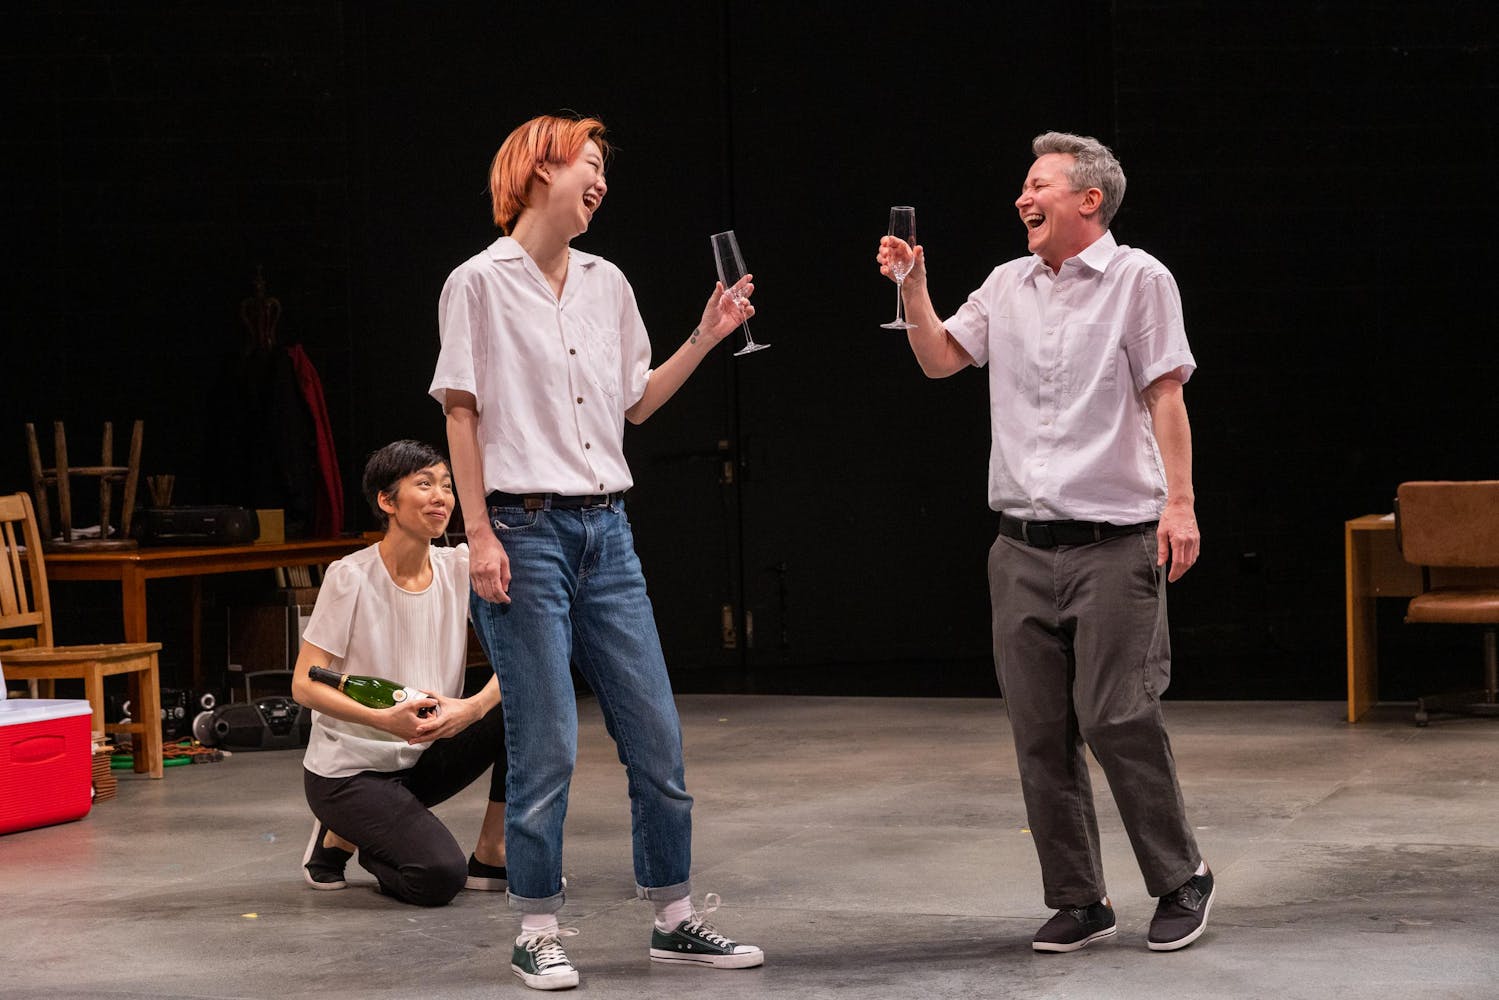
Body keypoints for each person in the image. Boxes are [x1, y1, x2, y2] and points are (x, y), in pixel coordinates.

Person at [429, 113, 764, 991]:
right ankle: (536, 925)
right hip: (524, 533)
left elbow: (637, 405)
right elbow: (459, 411)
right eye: (589, 164)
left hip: (606, 533)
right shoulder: (477, 282)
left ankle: (675, 917)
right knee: (545, 746)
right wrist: (480, 535)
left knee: (657, 736)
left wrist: (706, 334)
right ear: (540, 170)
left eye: (604, 168)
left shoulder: (607, 282)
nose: (600, 181)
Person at [876, 131, 1214, 953]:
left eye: (1038, 185)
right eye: (1023, 186)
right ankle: (1078, 897)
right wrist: (914, 289)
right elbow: (938, 359)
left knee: (1116, 715)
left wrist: (1180, 505)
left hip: (1113, 540)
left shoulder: (1140, 279)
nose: (1022, 199)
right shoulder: (1005, 283)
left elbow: (1165, 393)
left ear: (1088, 199)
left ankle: (1180, 879)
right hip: (1020, 549)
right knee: (1038, 731)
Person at [292, 439, 509, 906]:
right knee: (436, 878)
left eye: (447, 486)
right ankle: (350, 836)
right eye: (424, 484)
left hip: (424, 753)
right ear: (387, 502)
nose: (441, 497)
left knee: (522, 705)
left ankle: (493, 854)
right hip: (351, 770)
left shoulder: (459, 567)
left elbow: (520, 657)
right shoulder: (350, 576)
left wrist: (472, 709)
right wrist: (383, 721)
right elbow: (304, 683)